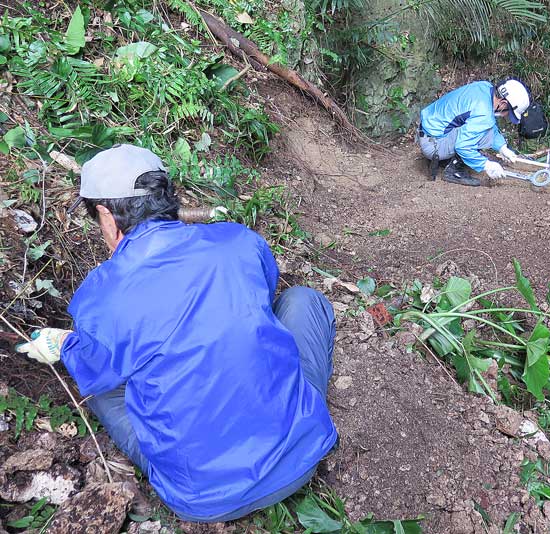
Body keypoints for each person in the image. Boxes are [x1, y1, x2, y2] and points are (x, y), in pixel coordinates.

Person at [16, 144, 338, 522]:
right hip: (301, 456)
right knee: (301, 300)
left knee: (101, 385)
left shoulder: (101, 295)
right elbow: (263, 302)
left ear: (106, 215)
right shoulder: (238, 241)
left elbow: (95, 366)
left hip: (203, 498)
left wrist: (65, 345)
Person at [416, 78, 531, 186]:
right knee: (476, 135)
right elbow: (464, 145)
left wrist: (502, 147)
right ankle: (454, 171)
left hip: (429, 131)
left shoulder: (485, 88)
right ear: (503, 104)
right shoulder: (483, 113)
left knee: (480, 129)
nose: (506, 116)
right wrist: (486, 165)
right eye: (509, 113)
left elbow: (488, 126)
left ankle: (447, 159)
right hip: (433, 144)